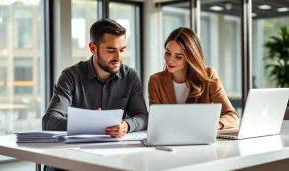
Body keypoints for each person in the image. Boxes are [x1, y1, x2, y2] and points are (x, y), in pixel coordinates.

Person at [42, 19, 148, 171]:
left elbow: (143, 116)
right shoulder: (70, 76)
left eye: (122, 49)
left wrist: (126, 125)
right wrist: (87, 122)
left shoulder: (130, 77)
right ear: (93, 48)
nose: (119, 57)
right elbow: (49, 121)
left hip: (114, 157)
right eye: (111, 50)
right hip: (70, 158)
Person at [148, 27, 239, 129]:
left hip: (202, 139)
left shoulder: (208, 75)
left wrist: (214, 125)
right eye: (168, 53)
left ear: (190, 58)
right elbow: (155, 120)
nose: (170, 60)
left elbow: (232, 116)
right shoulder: (156, 81)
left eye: (178, 57)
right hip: (169, 137)